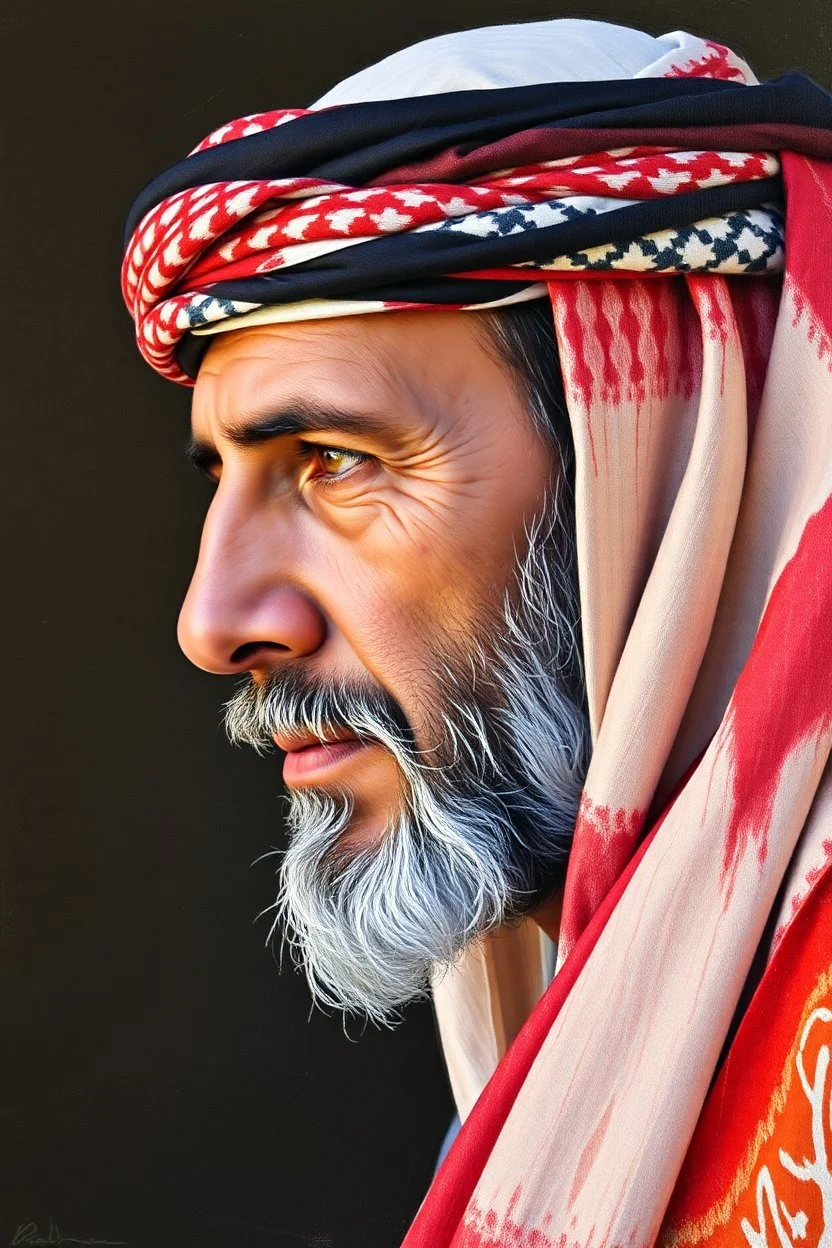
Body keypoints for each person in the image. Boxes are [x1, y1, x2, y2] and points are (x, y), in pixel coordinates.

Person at [121, 18, 832, 1247]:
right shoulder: (546, 1038)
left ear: (665, 460)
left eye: (335, 462)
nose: (214, 622)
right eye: (220, 477)